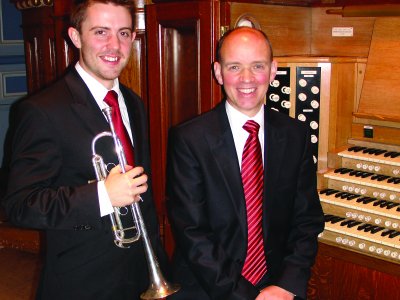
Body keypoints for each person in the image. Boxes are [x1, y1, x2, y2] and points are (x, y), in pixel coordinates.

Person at [2, 1, 169, 299]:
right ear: (76, 37)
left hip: (141, 271)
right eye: (101, 32)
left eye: (124, 33)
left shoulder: (133, 103)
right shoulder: (41, 111)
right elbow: (20, 205)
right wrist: (102, 196)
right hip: (84, 281)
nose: (114, 45)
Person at [166, 27, 324, 300]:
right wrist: (246, 296)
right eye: (234, 66)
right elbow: (192, 233)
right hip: (208, 287)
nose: (246, 78)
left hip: (277, 286)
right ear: (218, 72)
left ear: (273, 71)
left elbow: (307, 220)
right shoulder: (190, 139)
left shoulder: (295, 135)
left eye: (257, 66)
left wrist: (287, 285)